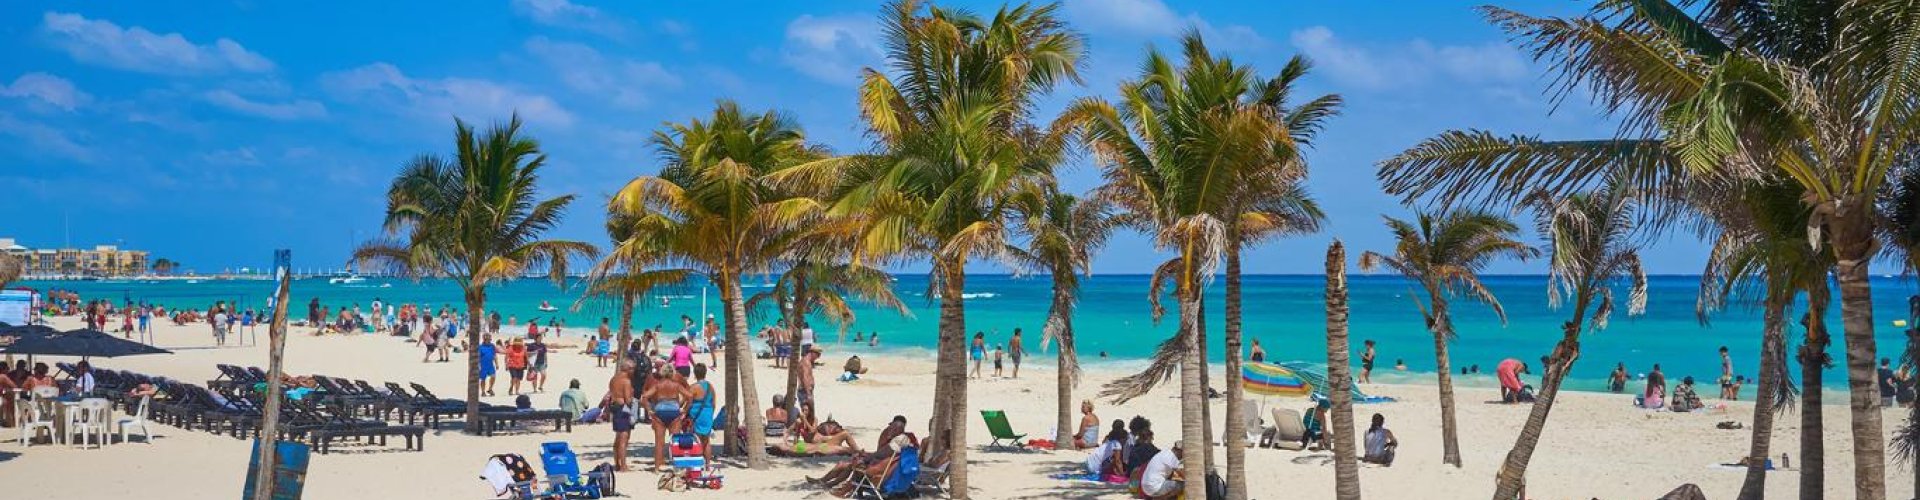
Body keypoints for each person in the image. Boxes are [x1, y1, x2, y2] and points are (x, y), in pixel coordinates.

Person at [641, 364, 692, 470]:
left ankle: (656, 468)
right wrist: (684, 410)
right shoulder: (676, 385)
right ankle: (677, 467)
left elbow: (645, 396)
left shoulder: (658, 385)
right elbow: (690, 396)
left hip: (660, 411)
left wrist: (649, 410)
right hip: (674, 411)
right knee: (675, 441)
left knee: (659, 442)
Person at [608, 363, 636, 471]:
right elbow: (628, 399)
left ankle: (617, 463)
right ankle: (623, 466)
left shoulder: (613, 379)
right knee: (624, 438)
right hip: (623, 408)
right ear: (628, 369)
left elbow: (612, 393)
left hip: (615, 407)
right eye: (632, 369)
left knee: (618, 437)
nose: (633, 371)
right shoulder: (626, 381)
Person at [688, 363, 717, 461]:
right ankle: (708, 464)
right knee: (707, 441)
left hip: (697, 416)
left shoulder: (693, 387)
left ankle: (698, 463)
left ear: (695, 374)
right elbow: (713, 403)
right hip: (708, 414)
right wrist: (710, 413)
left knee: (697, 440)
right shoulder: (710, 386)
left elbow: (689, 403)